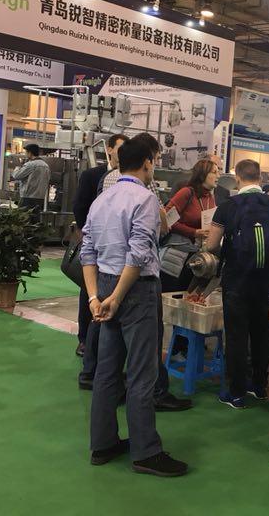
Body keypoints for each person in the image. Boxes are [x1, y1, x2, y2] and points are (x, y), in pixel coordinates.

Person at [80, 138, 188, 477]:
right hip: (135, 289)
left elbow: (87, 251)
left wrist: (96, 297)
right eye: (154, 160)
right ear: (147, 163)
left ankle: (103, 443)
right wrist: (118, 296)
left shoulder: (102, 199)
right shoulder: (145, 198)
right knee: (143, 373)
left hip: (104, 284)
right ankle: (146, 452)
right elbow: (139, 253)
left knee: (107, 370)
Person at [203, 159, 269, 408]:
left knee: (236, 336)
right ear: (260, 177)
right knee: (261, 332)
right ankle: (259, 385)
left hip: (237, 280)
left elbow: (212, 244)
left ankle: (236, 393)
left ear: (237, 178)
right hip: (265, 279)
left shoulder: (228, 206)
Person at [73, 134, 128, 358]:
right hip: (95, 243)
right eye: (120, 149)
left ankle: (106, 346)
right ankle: (84, 339)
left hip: (118, 251)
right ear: (109, 149)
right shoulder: (92, 175)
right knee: (89, 291)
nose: (123, 154)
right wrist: (89, 233)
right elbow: (80, 206)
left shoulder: (128, 178)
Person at [162, 158, 220, 292]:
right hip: (176, 255)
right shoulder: (187, 192)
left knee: (185, 295)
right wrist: (193, 232)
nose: (218, 176)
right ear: (203, 174)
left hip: (195, 256)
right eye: (214, 172)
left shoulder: (210, 197)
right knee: (169, 294)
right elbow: (167, 220)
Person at [12, 143, 51, 221]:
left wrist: (17, 167)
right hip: (40, 198)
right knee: (34, 222)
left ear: (30, 153)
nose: (25, 154)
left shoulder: (30, 165)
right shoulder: (46, 166)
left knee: (24, 221)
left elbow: (16, 176)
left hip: (28, 198)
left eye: (26, 152)